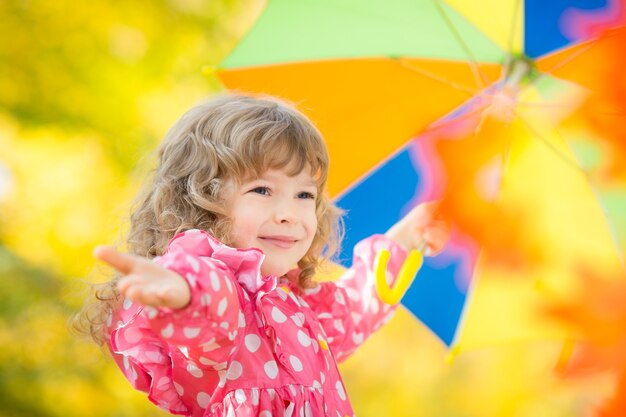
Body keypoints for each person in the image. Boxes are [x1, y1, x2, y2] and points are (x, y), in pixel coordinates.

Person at [74, 94, 449, 417]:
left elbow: (353, 310)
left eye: (304, 194)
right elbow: (211, 303)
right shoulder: (225, 297)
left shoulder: (295, 307)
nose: (288, 212)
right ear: (203, 199)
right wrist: (184, 293)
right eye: (262, 190)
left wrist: (404, 238)